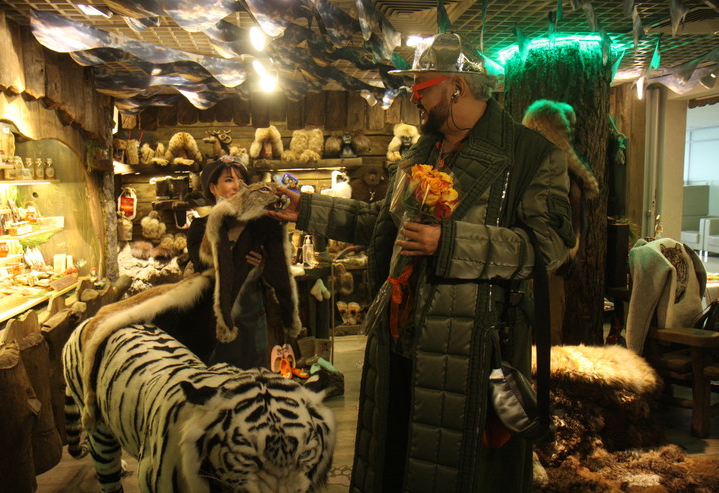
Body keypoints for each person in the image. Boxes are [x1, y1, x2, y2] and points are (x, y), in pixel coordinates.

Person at [270, 32, 575, 492]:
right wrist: (308, 209)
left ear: (457, 87)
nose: (413, 96)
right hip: (398, 339)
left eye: (422, 86)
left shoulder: (531, 156)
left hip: (471, 347)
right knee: (392, 461)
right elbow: (384, 224)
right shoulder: (422, 152)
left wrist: (449, 241)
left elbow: (547, 246)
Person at [187, 155, 269, 369]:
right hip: (216, 318)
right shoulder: (200, 227)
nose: (237, 185)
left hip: (252, 317)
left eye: (241, 179)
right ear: (213, 188)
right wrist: (227, 225)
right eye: (229, 180)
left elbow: (274, 268)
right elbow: (204, 267)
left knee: (256, 375)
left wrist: (264, 265)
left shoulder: (256, 224)